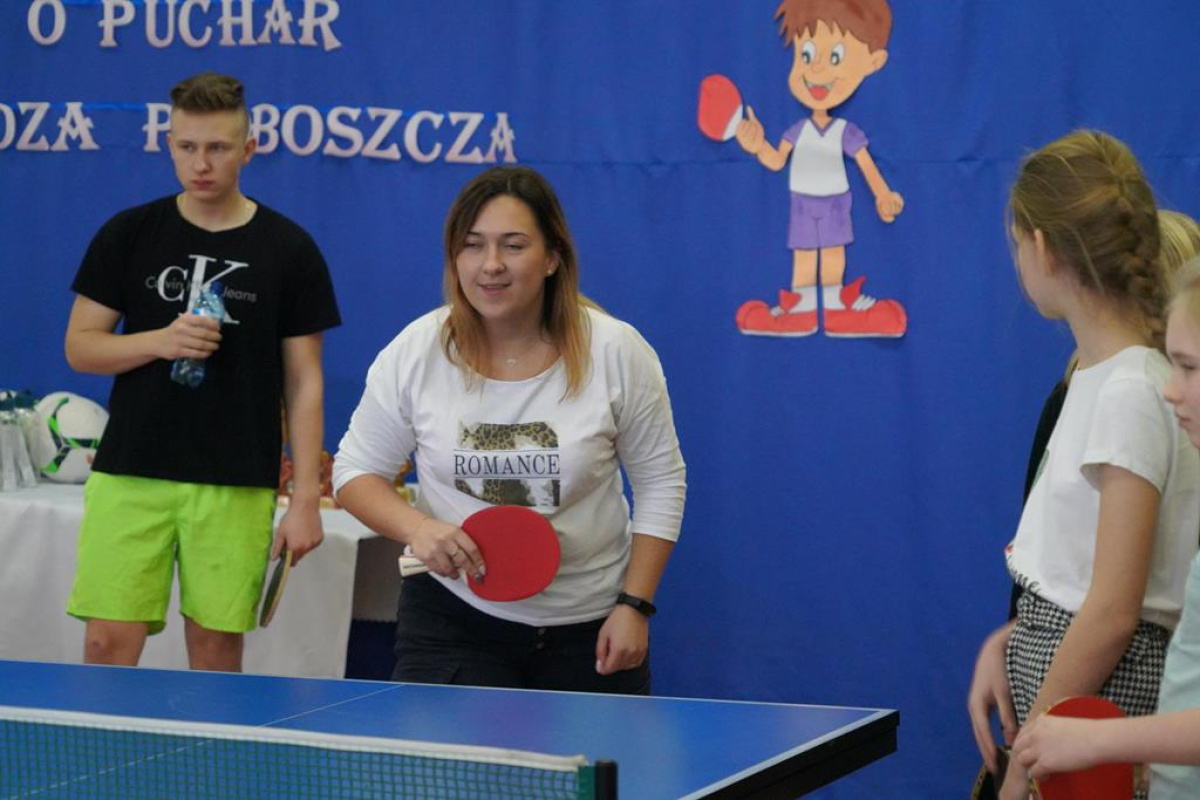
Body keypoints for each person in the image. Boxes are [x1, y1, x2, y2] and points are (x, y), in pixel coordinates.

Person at [333, 165, 686, 693]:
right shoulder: (416, 351)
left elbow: (661, 483)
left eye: (513, 245)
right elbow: (355, 472)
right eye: (473, 245)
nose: (491, 264)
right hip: (452, 620)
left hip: (589, 626)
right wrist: (418, 528)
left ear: (552, 258)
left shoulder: (616, 351)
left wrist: (635, 605)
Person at [64, 72, 341, 672]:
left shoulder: (289, 249)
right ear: (168, 145)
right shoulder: (129, 233)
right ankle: (102, 740)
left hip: (236, 478)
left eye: (218, 147)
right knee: (106, 643)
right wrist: (159, 341)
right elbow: (81, 349)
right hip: (131, 470)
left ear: (249, 148)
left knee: (216, 650)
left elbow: (305, 382)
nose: (201, 163)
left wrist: (306, 499)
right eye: (187, 146)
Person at [965, 130, 1200, 800]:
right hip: (1070, 693)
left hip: (1101, 694)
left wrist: (1026, 757)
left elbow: (1113, 609)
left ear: (1042, 248)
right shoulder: (1099, 380)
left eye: (1017, 243)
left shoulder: (1130, 389)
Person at [1011, 255, 1200, 799]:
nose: (1171, 389)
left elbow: (1116, 611)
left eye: (1188, 367)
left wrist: (1098, 740)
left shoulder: (1133, 389)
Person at [733, 0, 906, 337]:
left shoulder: (844, 131)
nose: (816, 70)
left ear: (873, 63)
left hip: (835, 203)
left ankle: (837, 308)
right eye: (806, 54)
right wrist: (758, 146)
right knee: (803, 255)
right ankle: (800, 310)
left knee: (832, 255)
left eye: (835, 57)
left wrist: (883, 195)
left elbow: (865, 163)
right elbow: (777, 160)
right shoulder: (797, 130)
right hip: (802, 202)